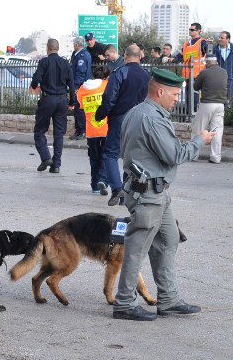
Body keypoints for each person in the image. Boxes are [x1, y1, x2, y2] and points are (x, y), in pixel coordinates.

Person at [112, 67, 214, 321]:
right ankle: (124, 303)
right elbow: (174, 155)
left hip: (155, 193)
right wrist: (199, 141)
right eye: (175, 93)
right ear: (160, 91)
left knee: (168, 241)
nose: (177, 98)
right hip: (148, 195)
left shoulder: (137, 112)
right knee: (136, 248)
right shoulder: (152, 118)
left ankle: (168, 299)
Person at [94, 44, 150, 205]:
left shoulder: (120, 72)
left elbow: (109, 97)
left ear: (125, 56)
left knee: (110, 154)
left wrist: (100, 114)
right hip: (140, 119)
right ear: (140, 56)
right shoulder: (146, 75)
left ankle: (117, 188)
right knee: (131, 157)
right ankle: (127, 192)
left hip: (120, 119)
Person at [30, 38, 72, 174]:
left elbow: (36, 80)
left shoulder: (44, 62)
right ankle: (56, 165)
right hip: (62, 100)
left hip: (48, 100)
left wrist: (36, 85)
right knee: (59, 134)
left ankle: (46, 157)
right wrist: (72, 102)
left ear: (48, 48)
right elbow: (71, 84)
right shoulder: (66, 63)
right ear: (57, 48)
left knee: (39, 131)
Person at [76, 65, 111, 195]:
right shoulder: (107, 85)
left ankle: (94, 186)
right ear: (106, 76)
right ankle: (103, 179)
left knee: (94, 158)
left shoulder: (82, 88)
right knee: (106, 156)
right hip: (106, 127)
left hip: (91, 129)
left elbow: (80, 106)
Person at [192, 57, 226, 164]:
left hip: (207, 104)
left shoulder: (204, 72)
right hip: (220, 105)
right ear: (216, 63)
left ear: (207, 63)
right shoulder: (224, 72)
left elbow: (195, 87)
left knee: (198, 129)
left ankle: (193, 155)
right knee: (216, 131)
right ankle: (216, 157)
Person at [70, 37, 92, 139]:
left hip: (80, 87)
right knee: (77, 110)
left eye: (74, 44)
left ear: (77, 45)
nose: (73, 45)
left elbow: (80, 72)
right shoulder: (78, 55)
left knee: (80, 110)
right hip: (80, 86)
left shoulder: (82, 55)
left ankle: (82, 131)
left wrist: (75, 87)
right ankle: (78, 131)